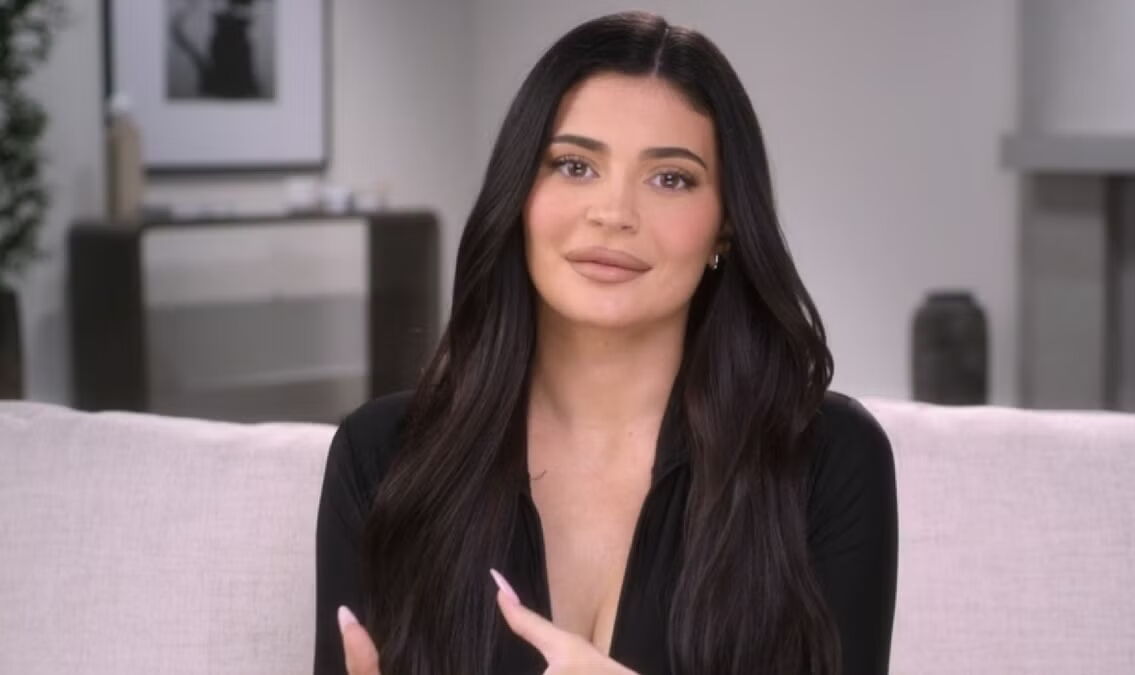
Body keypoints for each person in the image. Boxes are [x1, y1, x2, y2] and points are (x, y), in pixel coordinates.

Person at [314, 10, 897, 675]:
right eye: (574, 165)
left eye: (670, 178)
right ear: (519, 193)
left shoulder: (826, 459)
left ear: (727, 224)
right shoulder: (383, 456)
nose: (614, 213)